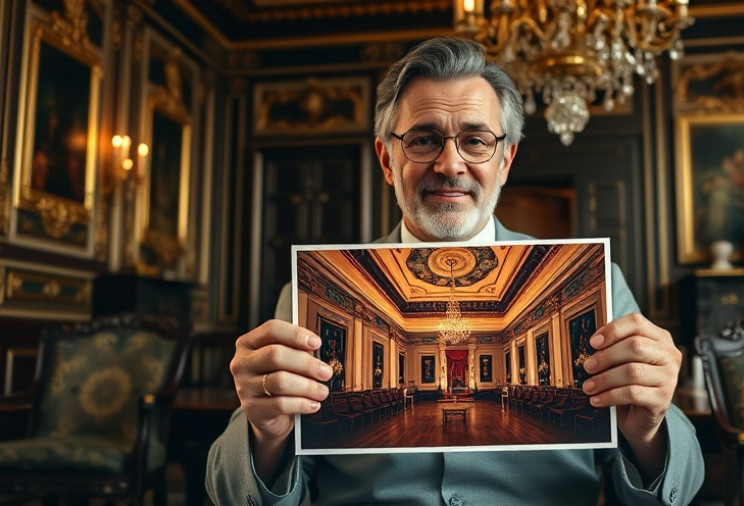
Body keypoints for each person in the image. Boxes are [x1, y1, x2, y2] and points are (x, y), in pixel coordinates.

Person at [206, 37, 704, 505]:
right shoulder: (311, 288)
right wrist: (263, 434)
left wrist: (650, 430)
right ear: (387, 159)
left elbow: (683, 481)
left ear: (505, 159)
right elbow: (231, 492)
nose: (450, 164)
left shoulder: (598, 279)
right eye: (423, 140)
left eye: (475, 140)